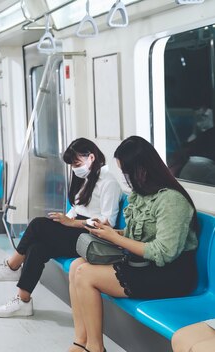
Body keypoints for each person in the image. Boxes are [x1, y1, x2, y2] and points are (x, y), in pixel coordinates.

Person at [68, 136, 198, 352]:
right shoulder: (141, 196)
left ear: (142, 169)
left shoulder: (172, 201)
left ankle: (95, 347)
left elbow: (164, 252)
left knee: (85, 274)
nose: (125, 178)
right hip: (144, 264)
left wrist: (116, 238)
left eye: (126, 172)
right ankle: (81, 341)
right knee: (76, 266)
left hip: (170, 273)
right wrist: (110, 232)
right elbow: (132, 235)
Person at [0, 138, 123, 318]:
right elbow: (77, 208)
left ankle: (12, 265)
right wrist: (65, 219)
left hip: (92, 236)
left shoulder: (108, 183)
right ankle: (23, 301)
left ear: (92, 157)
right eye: (72, 164)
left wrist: (74, 223)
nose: (74, 168)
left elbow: (108, 221)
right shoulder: (86, 179)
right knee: (37, 248)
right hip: (77, 229)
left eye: (77, 163)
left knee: (37, 225)